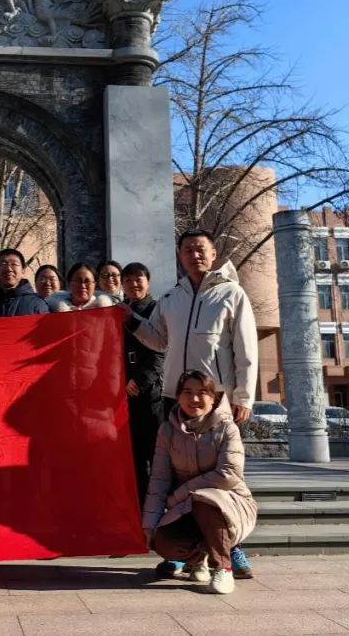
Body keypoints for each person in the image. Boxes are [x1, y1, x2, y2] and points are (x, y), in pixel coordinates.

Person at [122, 229, 259, 579]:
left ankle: (231, 547)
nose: (194, 255)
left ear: (213, 254)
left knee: (222, 476)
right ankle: (185, 552)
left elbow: (246, 348)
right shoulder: (172, 297)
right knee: (176, 474)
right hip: (174, 396)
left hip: (217, 399)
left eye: (200, 249)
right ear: (179, 256)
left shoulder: (232, 293)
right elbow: (157, 340)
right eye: (187, 250)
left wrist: (244, 396)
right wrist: (131, 320)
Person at [143, 371, 257, 595]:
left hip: (230, 504)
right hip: (185, 507)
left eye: (202, 393)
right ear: (178, 396)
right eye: (187, 392)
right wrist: (150, 525)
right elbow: (159, 479)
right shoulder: (167, 431)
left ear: (213, 398)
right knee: (164, 542)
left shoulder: (227, 428)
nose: (194, 399)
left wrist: (180, 494)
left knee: (205, 500)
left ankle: (223, 568)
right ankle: (198, 560)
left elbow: (227, 474)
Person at [121, 262, 165, 507]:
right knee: (133, 459)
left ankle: (158, 509)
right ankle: (140, 510)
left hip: (152, 394)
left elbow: (161, 350)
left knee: (155, 457)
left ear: (148, 282)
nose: (133, 284)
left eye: (138, 278)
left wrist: (140, 380)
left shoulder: (157, 309)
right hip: (124, 395)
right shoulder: (118, 311)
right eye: (128, 279)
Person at [0, 248, 50, 318]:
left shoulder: (37, 305)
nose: (9, 269)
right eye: (3, 264)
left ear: (23, 271)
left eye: (14, 264)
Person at [47, 262, 117, 311]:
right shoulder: (51, 309)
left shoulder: (107, 310)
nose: (83, 286)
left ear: (95, 284)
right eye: (78, 281)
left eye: (87, 281)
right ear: (69, 283)